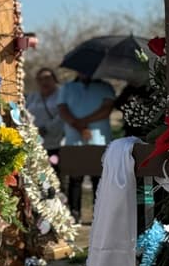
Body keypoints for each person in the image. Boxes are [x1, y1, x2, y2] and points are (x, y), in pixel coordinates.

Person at [58, 72, 116, 221]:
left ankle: (100, 214)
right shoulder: (67, 87)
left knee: (99, 179)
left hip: (99, 140)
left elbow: (106, 109)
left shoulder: (105, 87)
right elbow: (62, 109)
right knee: (75, 178)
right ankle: (74, 214)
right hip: (74, 140)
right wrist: (79, 127)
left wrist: (84, 122)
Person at [26, 68, 65, 161]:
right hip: (36, 143)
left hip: (56, 143)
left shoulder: (62, 95)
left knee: (55, 172)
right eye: (40, 79)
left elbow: (63, 115)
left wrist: (46, 128)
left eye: (47, 78)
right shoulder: (32, 96)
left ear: (54, 79)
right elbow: (25, 113)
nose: (44, 81)